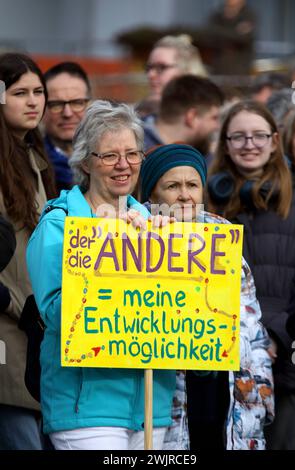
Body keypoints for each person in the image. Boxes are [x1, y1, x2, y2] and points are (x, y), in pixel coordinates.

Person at [26, 100, 187, 451]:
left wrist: (170, 245)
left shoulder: (154, 225)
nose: (123, 165)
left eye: (132, 154)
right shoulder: (59, 225)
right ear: (85, 161)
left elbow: (179, 313)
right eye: (109, 156)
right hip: (86, 410)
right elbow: (56, 316)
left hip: (151, 407)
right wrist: (100, 245)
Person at [140, 143, 274, 450]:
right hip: (169, 392)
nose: (185, 195)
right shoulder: (134, 240)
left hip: (225, 389)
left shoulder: (223, 236)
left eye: (192, 185)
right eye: (172, 186)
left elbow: (251, 324)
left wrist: (260, 395)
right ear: (151, 193)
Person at [206, 100, 295, 449]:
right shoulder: (205, 203)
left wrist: (271, 334)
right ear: (226, 144)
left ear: (275, 141)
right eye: (239, 137)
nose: (249, 144)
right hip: (220, 355)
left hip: (285, 353)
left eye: (259, 136)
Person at [0, 52, 56, 450]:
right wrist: (7, 299)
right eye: (21, 93)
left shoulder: (35, 157)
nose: (33, 101)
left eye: (38, 91)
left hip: (34, 323)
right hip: (5, 323)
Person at [143, 74, 224, 162]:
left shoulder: (205, 156)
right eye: (214, 118)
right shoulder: (135, 150)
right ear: (192, 117)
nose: (217, 126)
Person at [43, 62, 92, 192]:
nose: (67, 113)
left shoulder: (113, 160)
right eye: (56, 104)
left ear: (90, 104)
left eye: (77, 103)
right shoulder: (25, 165)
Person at [137, 34, 208, 118]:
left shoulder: (206, 116)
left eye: (161, 67)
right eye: (149, 67)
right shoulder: (141, 112)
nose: (151, 74)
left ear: (187, 70)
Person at [205, 0, 256, 75]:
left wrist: (220, 32)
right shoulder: (217, 15)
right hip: (218, 67)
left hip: (240, 69)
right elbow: (208, 35)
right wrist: (235, 32)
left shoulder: (249, 15)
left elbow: (243, 38)